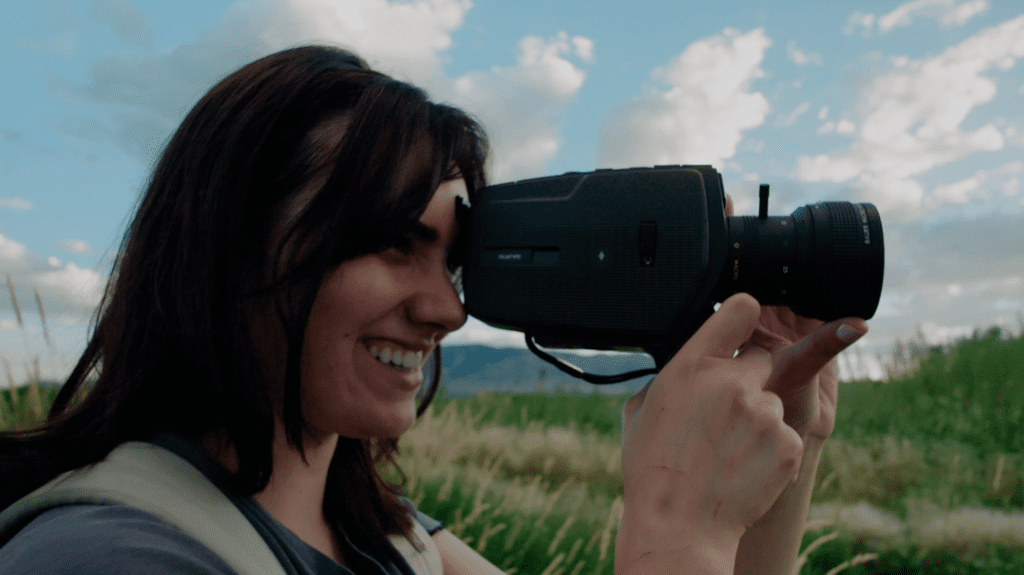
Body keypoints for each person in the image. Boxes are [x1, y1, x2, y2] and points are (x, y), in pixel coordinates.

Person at [0, 45, 867, 575]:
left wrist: (794, 437)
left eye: (451, 257)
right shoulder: (108, 554)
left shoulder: (389, 536)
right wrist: (676, 521)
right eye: (392, 244)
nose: (449, 309)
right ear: (226, 248)